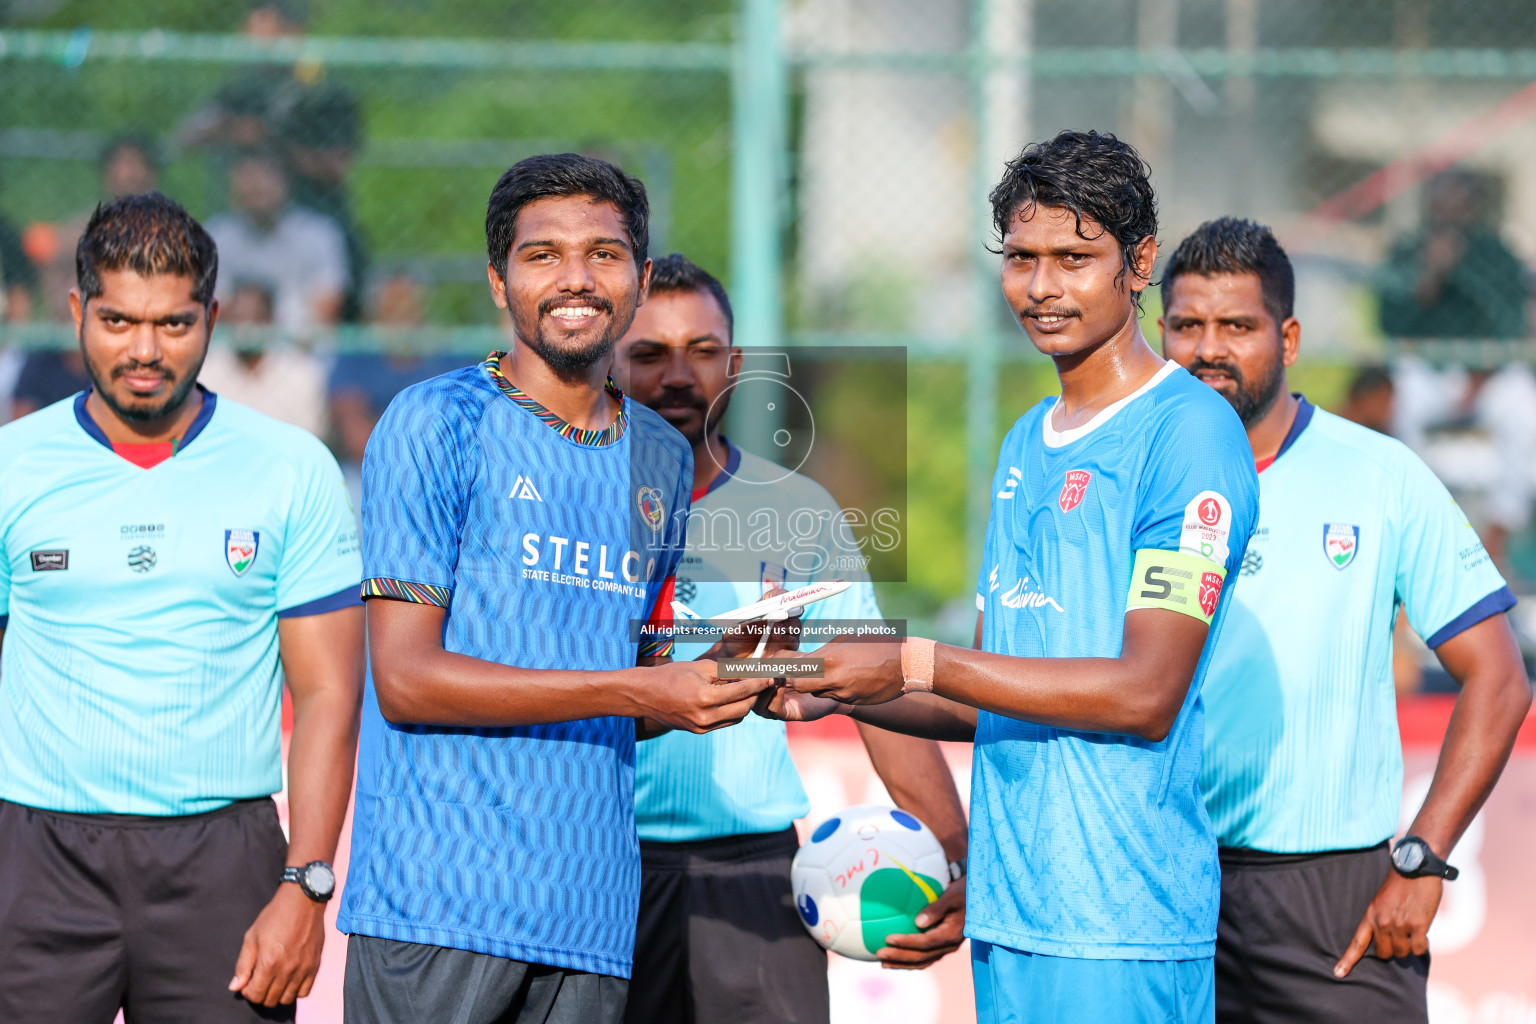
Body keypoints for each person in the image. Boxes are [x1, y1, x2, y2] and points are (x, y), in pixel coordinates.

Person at [765, 130, 1259, 1022]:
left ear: (1138, 262)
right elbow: (992, 690)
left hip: (1118, 925)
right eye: (1022, 259)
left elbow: (1145, 692)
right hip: (1011, 916)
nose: (1042, 287)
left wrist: (913, 659)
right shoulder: (1026, 440)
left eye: (1075, 258)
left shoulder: (1187, 433)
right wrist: (827, 679)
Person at [337, 154, 778, 1024]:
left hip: (590, 919)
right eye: (543, 255)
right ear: (499, 281)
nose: (575, 278)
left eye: (604, 255)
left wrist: (720, 673)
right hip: (437, 908)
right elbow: (407, 679)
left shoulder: (657, 453)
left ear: (640, 279)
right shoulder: (435, 422)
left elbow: (631, 690)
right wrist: (637, 685)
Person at [0, 191, 364, 1020]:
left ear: (214, 316)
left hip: (221, 860)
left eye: (173, 324)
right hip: (36, 856)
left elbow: (327, 695)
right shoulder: (11, 464)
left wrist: (306, 890)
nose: (144, 350)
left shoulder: (289, 468)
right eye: (119, 321)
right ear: (76, 312)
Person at [1158, 216, 1532, 1023]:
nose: (1208, 348)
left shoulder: (1381, 475)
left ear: (1287, 336)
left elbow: (1497, 679)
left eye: (1237, 326)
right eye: (1187, 325)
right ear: (1160, 335)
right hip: (1166, 887)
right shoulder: (1129, 482)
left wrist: (1423, 859)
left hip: (1336, 898)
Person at [611, 253, 970, 1024]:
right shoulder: (568, 515)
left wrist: (953, 857)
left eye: (702, 352)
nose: (678, 375)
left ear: (734, 365)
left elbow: (879, 689)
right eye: (648, 353)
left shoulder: (797, 510)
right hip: (603, 868)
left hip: (757, 875)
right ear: (611, 359)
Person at [206, 148, 349, 335]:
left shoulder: (319, 234)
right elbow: (210, 309)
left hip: (300, 349)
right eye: (246, 177)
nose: (256, 185)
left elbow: (327, 308)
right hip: (230, 350)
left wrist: (259, 316)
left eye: (265, 175)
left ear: (285, 181)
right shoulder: (214, 237)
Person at [196, 280, 330, 436]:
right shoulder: (207, 372)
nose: (246, 327)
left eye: (255, 318)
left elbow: (310, 434)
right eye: (239, 318)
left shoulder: (301, 373)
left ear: (270, 320)